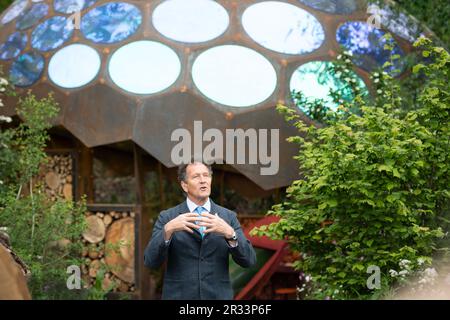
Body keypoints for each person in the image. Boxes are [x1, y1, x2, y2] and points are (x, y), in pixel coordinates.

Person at [144, 161, 256, 300]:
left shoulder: (228, 217)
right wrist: (167, 231)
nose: (203, 180)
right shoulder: (168, 217)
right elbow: (150, 261)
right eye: (196, 176)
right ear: (184, 185)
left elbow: (249, 261)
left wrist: (231, 234)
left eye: (206, 175)